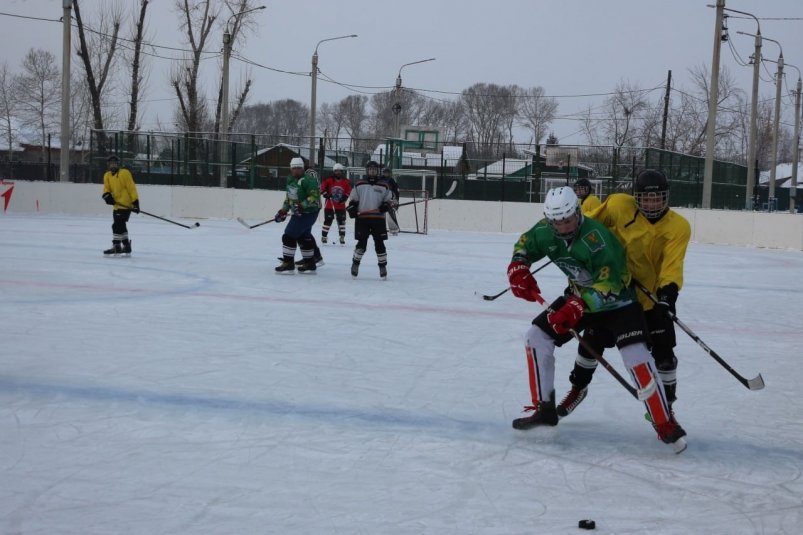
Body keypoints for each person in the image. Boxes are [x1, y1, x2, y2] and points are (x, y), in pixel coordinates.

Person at [506, 185, 686, 452]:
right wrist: (518, 267)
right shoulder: (546, 230)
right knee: (536, 337)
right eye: (557, 222)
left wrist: (578, 305)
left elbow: (611, 284)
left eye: (568, 220)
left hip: (620, 304)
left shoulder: (598, 238)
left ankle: (664, 422)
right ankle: (544, 408)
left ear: (577, 213)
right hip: (579, 300)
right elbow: (525, 243)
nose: (563, 226)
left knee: (636, 357)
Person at [557, 170, 691, 422]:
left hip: (650, 298)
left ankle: (666, 406)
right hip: (613, 293)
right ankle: (577, 389)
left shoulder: (679, 227)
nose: (651, 204)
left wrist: (667, 294)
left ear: (666, 197)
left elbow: (673, 264)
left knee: (665, 358)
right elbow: (587, 227)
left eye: (657, 198)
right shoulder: (619, 205)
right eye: (646, 199)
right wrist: (579, 276)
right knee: (591, 344)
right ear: (635, 197)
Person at [274, 158, 322, 273]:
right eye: (294, 168)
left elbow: (314, 196)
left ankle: (288, 262)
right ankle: (310, 263)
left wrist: (302, 206)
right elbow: (289, 198)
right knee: (303, 236)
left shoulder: (308, 180)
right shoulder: (290, 179)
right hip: (298, 212)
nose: (296, 170)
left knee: (288, 236)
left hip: (309, 213)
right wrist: (283, 211)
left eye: (298, 168)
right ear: (290, 168)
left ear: (303, 168)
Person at [347, 160, 393, 280]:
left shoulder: (384, 185)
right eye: (370, 169)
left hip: (378, 220)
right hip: (363, 220)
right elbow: (353, 200)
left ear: (377, 171)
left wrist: (386, 205)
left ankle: (382, 267)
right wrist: (352, 207)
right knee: (362, 244)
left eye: (374, 169)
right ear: (367, 171)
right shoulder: (359, 184)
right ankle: (355, 264)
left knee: (380, 244)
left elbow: (388, 200)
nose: (372, 171)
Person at [101, 155, 140, 256]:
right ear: (108, 165)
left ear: (118, 164)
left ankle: (117, 246)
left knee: (116, 225)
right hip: (117, 206)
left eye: (115, 163)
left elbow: (131, 188)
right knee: (121, 226)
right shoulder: (107, 175)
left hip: (126, 205)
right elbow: (106, 189)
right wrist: (107, 196)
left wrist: (135, 202)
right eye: (111, 164)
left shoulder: (124, 173)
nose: (113, 165)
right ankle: (126, 246)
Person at [320, 163, 352, 245]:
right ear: (334, 171)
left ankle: (342, 236)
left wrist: (345, 198)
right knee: (328, 220)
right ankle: (324, 236)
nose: (338, 172)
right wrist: (325, 194)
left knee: (342, 221)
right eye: (336, 171)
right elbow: (322, 188)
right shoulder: (328, 180)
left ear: (342, 171)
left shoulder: (346, 181)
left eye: (339, 171)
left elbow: (348, 190)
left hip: (340, 205)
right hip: (329, 205)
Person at [381, 167, 401, 235]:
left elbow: (396, 190)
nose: (386, 174)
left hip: (389, 199)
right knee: (380, 214)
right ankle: (380, 229)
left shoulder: (391, 180)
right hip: (381, 199)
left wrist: (396, 200)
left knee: (391, 213)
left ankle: (394, 229)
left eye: (387, 172)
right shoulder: (380, 179)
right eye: (385, 172)